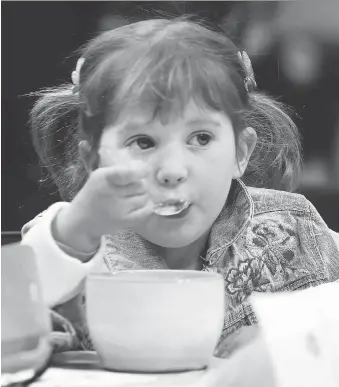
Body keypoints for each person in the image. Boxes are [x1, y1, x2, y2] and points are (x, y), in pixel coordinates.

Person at [22, 18, 339, 359]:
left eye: (200, 138)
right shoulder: (70, 240)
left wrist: (287, 332)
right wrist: (78, 228)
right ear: (94, 159)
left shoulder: (293, 228)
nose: (172, 170)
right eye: (143, 142)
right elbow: (16, 317)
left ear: (239, 152)